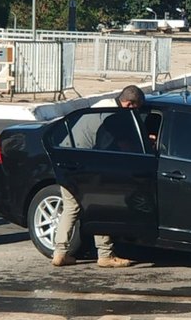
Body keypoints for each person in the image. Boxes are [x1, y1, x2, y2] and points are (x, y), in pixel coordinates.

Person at [52, 84, 145, 268]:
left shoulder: (101, 105)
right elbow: (111, 147)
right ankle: (105, 254)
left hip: (67, 160)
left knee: (71, 208)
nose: (136, 112)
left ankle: (60, 253)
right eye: (137, 108)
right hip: (87, 165)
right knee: (100, 205)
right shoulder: (112, 116)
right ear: (130, 104)